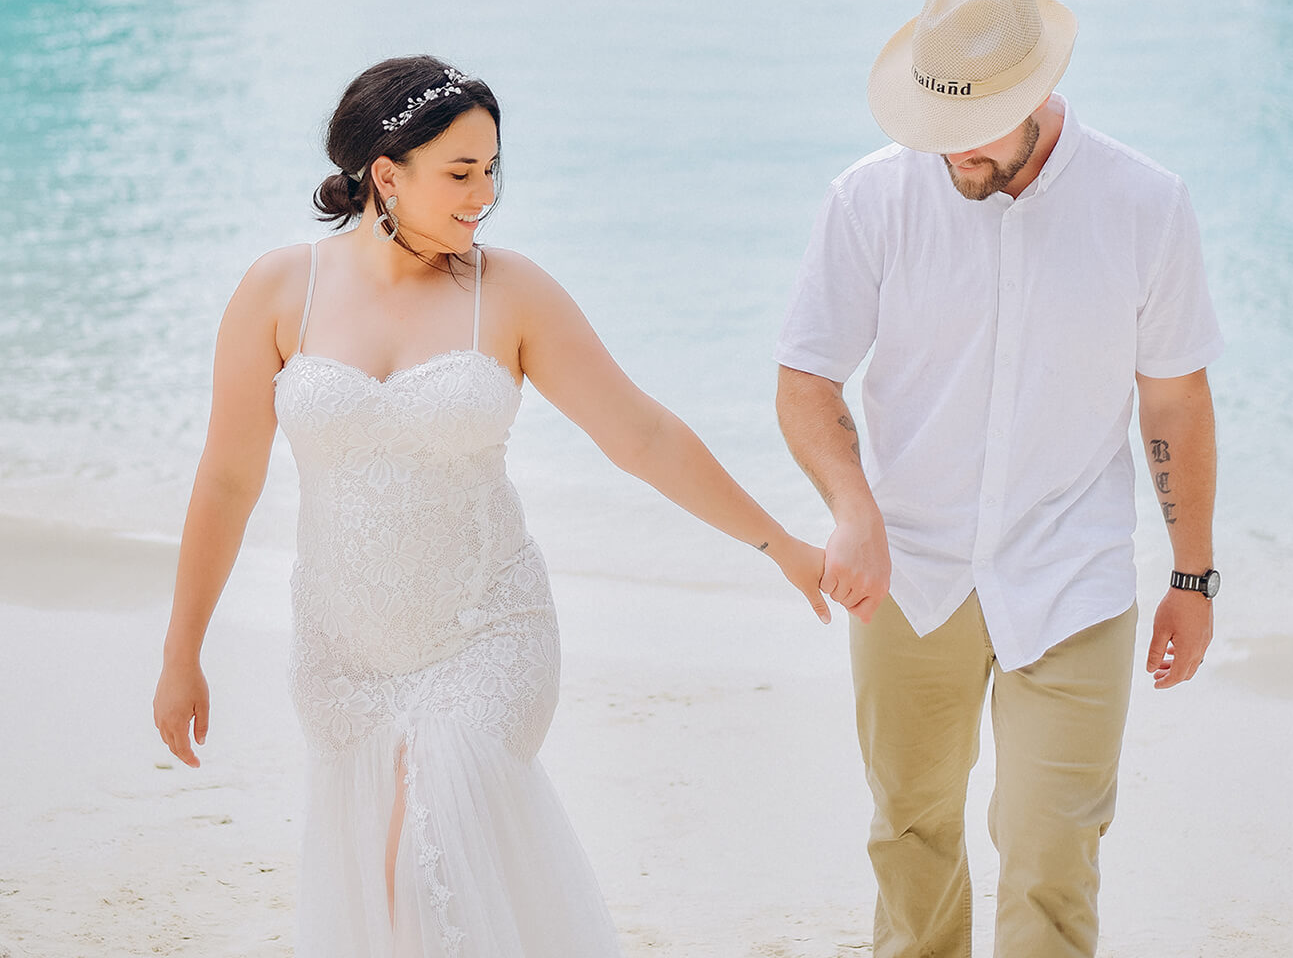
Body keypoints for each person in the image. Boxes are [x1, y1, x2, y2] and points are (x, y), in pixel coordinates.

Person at [154, 55, 828, 957]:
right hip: (344, 655)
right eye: (461, 174)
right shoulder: (281, 290)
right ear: (385, 177)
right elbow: (227, 481)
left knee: (418, 874)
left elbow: (643, 438)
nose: (485, 197)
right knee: (392, 907)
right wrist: (181, 653)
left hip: (486, 637)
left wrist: (778, 544)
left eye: (494, 170)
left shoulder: (508, 293)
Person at [776, 0, 1223, 958]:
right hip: (907, 574)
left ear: (1035, 96)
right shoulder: (869, 197)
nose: (945, 151)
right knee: (909, 835)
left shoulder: (1144, 204)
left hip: (1071, 574)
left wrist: (1190, 574)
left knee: (1051, 854)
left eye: (970, 126)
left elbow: (1173, 398)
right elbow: (805, 379)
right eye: (931, 123)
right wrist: (851, 507)